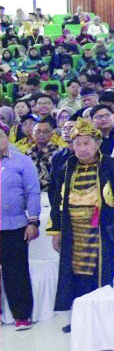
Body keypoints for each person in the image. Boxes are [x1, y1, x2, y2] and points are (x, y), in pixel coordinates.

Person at [49, 120, 114, 322]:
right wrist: (56, 231)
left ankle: (111, 319)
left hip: (104, 230)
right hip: (75, 232)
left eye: (87, 143)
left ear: (97, 144)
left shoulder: (111, 165)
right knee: (78, 273)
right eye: (78, 144)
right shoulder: (66, 167)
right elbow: (57, 200)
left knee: (106, 272)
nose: (82, 148)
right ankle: (82, 321)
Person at [0, 120, 41, 329]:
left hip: (14, 226)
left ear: (7, 138)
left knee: (16, 272)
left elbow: (33, 192)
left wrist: (33, 220)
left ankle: (21, 315)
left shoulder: (22, 161)